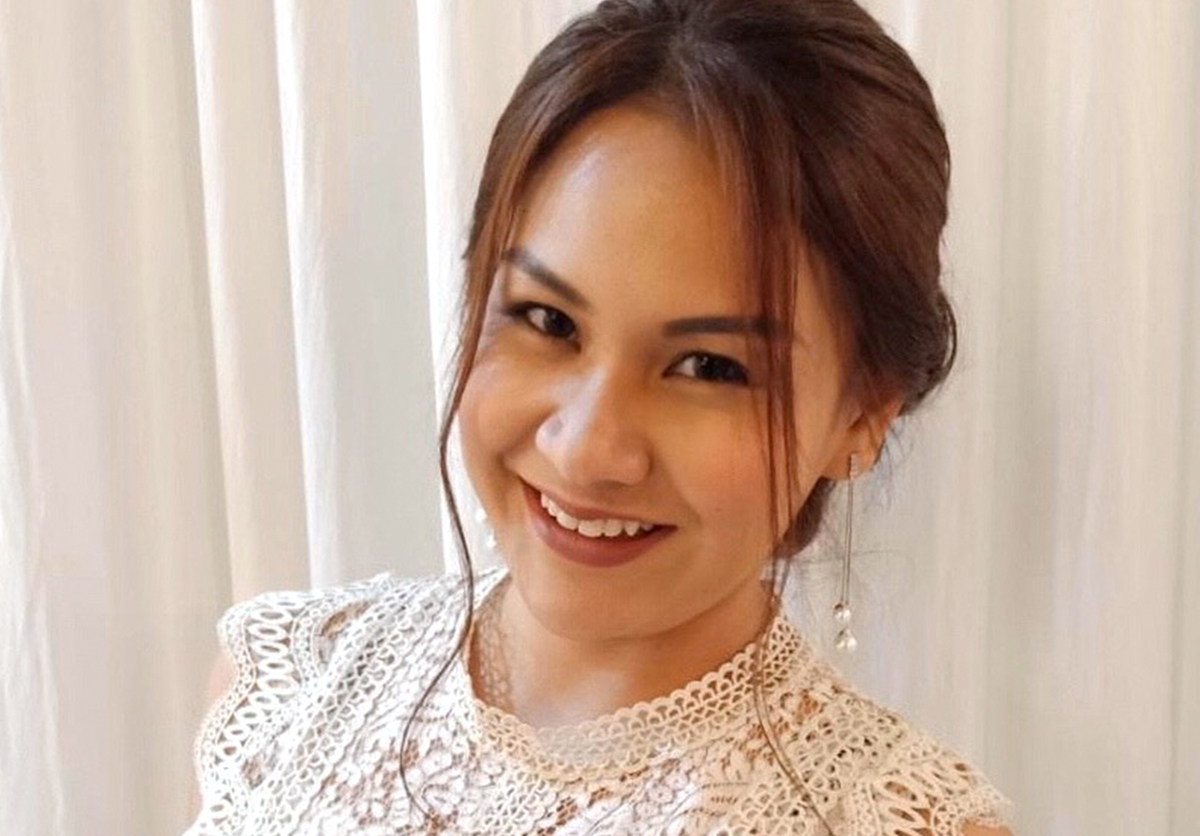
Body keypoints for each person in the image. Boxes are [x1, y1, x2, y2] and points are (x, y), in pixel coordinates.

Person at [184, 1, 1017, 833]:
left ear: (864, 415)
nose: (585, 449)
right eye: (548, 320)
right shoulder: (288, 688)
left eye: (709, 367)